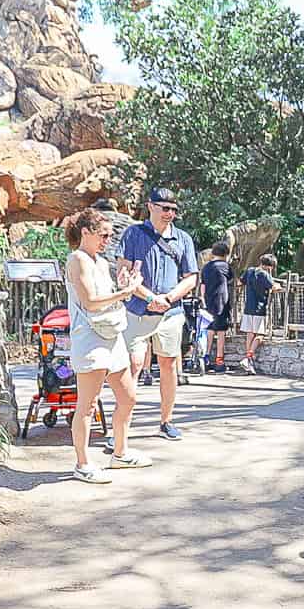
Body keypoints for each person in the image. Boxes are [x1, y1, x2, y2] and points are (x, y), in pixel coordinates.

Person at [63, 208, 152, 482]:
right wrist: (124, 293)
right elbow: (90, 302)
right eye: (103, 235)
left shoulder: (100, 262)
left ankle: (121, 453)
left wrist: (124, 287)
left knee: (128, 396)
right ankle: (82, 463)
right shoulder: (77, 259)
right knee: (88, 405)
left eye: (110, 236)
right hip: (90, 339)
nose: (107, 240)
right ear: (85, 232)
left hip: (111, 335)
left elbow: (106, 298)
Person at [118, 186, 199, 439]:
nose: (169, 214)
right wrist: (150, 297)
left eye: (173, 209)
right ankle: (121, 427)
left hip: (170, 312)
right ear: (150, 206)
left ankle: (166, 421)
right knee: (132, 365)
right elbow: (123, 273)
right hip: (137, 311)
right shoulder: (133, 234)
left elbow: (191, 277)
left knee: (168, 365)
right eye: (165, 208)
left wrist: (168, 298)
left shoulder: (183, 239)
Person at [237, 253, 278, 374]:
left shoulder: (250, 271)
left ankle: (248, 362)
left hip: (248, 308)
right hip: (259, 309)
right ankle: (248, 357)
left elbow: (239, 282)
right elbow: (274, 287)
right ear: (270, 266)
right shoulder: (264, 274)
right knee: (260, 335)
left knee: (250, 333)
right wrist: (278, 286)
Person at [200, 241, 235, 372]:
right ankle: (219, 360)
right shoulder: (226, 267)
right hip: (222, 301)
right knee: (221, 331)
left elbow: (203, 286)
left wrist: (203, 300)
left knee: (210, 328)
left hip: (208, 301)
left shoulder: (206, 267)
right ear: (226, 254)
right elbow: (232, 281)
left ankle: (206, 357)